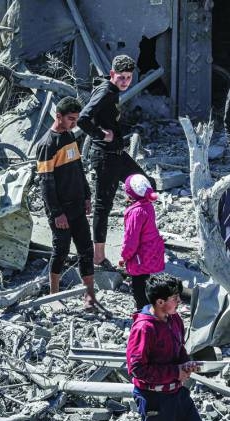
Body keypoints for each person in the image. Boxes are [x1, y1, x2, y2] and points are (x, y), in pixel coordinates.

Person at [126, 274, 224, 421]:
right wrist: (175, 372)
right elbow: (137, 369)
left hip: (177, 395)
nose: (179, 301)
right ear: (160, 302)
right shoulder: (144, 328)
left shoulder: (174, 319)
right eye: (173, 298)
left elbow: (179, 348)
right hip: (155, 399)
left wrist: (185, 364)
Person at [78, 54, 152, 266]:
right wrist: (101, 134)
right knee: (103, 205)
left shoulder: (112, 91)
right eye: (121, 77)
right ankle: (98, 256)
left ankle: (140, 239)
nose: (125, 82)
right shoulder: (104, 92)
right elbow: (83, 119)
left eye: (128, 78)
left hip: (117, 154)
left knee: (146, 186)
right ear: (112, 74)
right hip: (104, 157)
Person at [35, 95, 96, 308]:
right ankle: (54, 296)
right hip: (61, 211)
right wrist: (56, 213)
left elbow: (79, 169)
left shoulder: (70, 137)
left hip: (78, 205)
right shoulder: (46, 145)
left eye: (76, 119)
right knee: (60, 251)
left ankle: (90, 296)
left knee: (86, 249)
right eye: (70, 118)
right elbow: (46, 184)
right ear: (58, 116)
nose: (74, 123)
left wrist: (87, 196)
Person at [119, 173, 165, 310]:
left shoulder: (136, 212)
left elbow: (131, 240)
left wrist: (124, 256)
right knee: (147, 285)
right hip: (150, 253)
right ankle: (151, 314)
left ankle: (143, 318)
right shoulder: (148, 205)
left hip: (139, 256)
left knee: (139, 290)